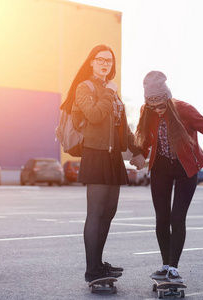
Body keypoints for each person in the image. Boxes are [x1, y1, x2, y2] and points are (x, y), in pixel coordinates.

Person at [130, 71, 203, 283]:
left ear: (168, 98)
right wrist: (139, 153)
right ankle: (165, 264)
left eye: (161, 106)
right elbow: (147, 139)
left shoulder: (184, 110)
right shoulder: (147, 111)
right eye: (153, 106)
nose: (158, 110)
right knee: (161, 218)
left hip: (186, 169)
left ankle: (174, 268)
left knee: (177, 218)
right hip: (160, 168)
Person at [63, 45, 141, 282]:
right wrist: (108, 92)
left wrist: (137, 150)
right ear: (92, 62)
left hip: (113, 156)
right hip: (95, 154)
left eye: (110, 60)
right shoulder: (84, 87)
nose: (106, 64)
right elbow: (95, 115)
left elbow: (122, 127)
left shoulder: (112, 91)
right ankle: (91, 270)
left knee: (109, 212)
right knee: (95, 213)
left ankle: (99, 263)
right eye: (101, 60)